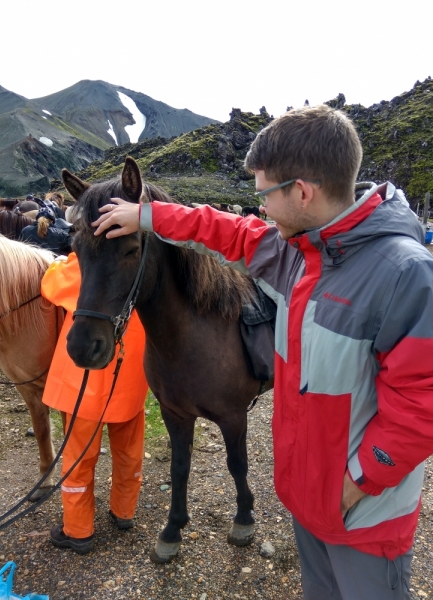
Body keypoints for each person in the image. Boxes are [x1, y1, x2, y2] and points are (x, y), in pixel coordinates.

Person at [91, 105, 433, 599]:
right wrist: (143, 214)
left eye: (263, 194)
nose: (259, 209)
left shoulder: (405, 274)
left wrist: (358, 482)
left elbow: (423, 404)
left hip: (364, 517)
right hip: (308, 501)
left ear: (301, 192)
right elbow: (223, 231)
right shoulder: (296, 249)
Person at [41, 252, 149, 554]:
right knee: (129, 451)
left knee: (79, 457)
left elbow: (52, 284)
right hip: (131, 375)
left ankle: (77, 530)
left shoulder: (89, 258)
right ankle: (124, 511)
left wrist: (63, 260)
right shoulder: (142, 258)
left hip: (84, 380)